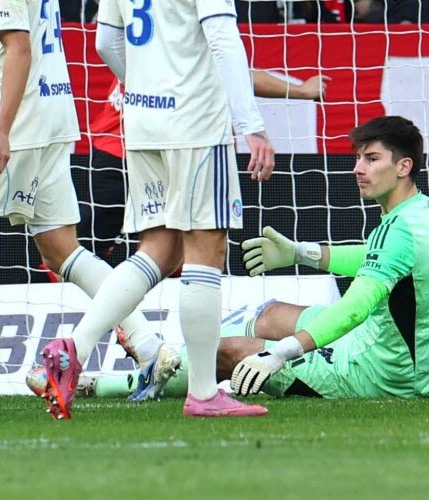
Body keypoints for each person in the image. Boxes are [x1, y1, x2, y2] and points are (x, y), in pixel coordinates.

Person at [31, 115, 429, 402]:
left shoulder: (400, 229)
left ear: (403, 166)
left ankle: (106, 384)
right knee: (270, 313)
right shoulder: (425, 212)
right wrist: (299, 253)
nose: (358, 169)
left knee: (229, 351)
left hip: (384, 377)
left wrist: (279, 355)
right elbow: (375, 258)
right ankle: (162, 357)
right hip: (399, 355)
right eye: (357, 159)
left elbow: (355, 307)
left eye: (371, 159)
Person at [35, 0, 276, 419]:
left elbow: (106, 42)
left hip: (144, 122)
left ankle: (75, 348)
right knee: (206, 249)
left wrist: (150, 86)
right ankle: (203, 393)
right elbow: (223, 39)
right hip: (196, 122)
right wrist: (250, 124)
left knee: (159, 249)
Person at [0, 0, 166, 403]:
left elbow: (19, 49)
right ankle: (149, 344)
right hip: (52, 117)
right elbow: (3, 56)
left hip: (15, 125)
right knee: (61, 251)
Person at [80, 71, 330, 264]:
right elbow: (235, 73)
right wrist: (299, 92)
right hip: (145, 152)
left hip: (131, 146)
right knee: (178, 248)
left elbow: (106, 44)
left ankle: (135, 318)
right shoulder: (189, 21)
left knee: (163, 247)